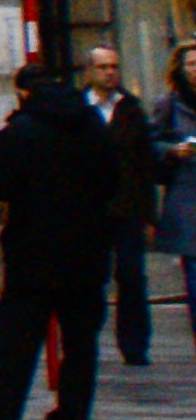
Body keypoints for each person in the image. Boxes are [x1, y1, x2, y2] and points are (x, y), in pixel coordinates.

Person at [0, 59, 114, 420]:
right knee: (81, 336)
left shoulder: (19, 130)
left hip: (32, 246)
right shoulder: (93, 124)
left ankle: (6, 406)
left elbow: (0, 185)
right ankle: (74, 407)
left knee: (19, 333)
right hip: (87, 246)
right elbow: (112, 180)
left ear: (24, 92)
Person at [77, 45, 158, 367]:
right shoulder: (79, 110)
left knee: (132, 276)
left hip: (127, 208)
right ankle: (86, 340)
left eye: (114, 66)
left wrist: (148, 213)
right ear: (89, 71)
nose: (110, 73)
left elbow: (144, 163)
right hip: (90, 210)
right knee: (90, 279)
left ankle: (135, 345)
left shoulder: (130, 109)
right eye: (103, 67)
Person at [155, 44, 196, 355]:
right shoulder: (169, 104)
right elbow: (152, 142)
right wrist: (171, 151)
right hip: (187, 195)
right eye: (191, 64)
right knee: (194, 271)